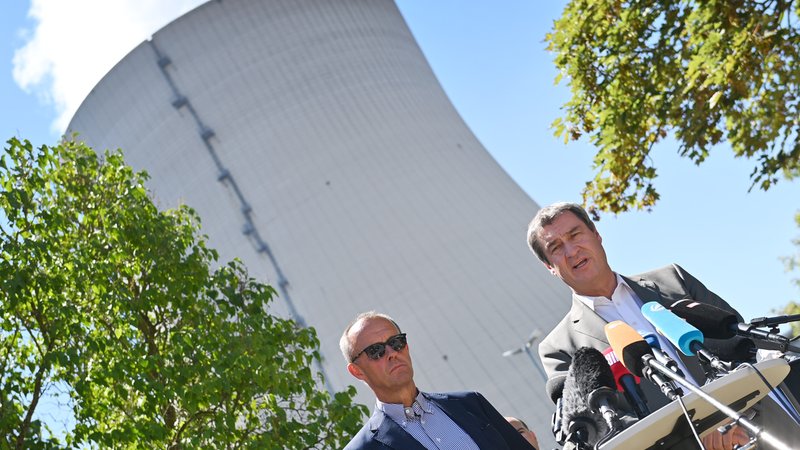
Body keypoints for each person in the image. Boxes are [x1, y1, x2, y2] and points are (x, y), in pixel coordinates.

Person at [526, 202, 759, 450]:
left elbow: (743, 344)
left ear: (596, 234)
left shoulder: (673, 279)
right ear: (549, 266)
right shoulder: (559, 347)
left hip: (757, 426)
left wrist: (729, 414)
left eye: (575, 235)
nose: (572, 250)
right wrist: (699, 432)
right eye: (556, 247)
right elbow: (598, 427)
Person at [340, 311, 536, 449]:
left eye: (396, 342)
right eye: (376, 351)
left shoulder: (471, 403)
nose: (392, 353)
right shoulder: (364, 447)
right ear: (357, 371)